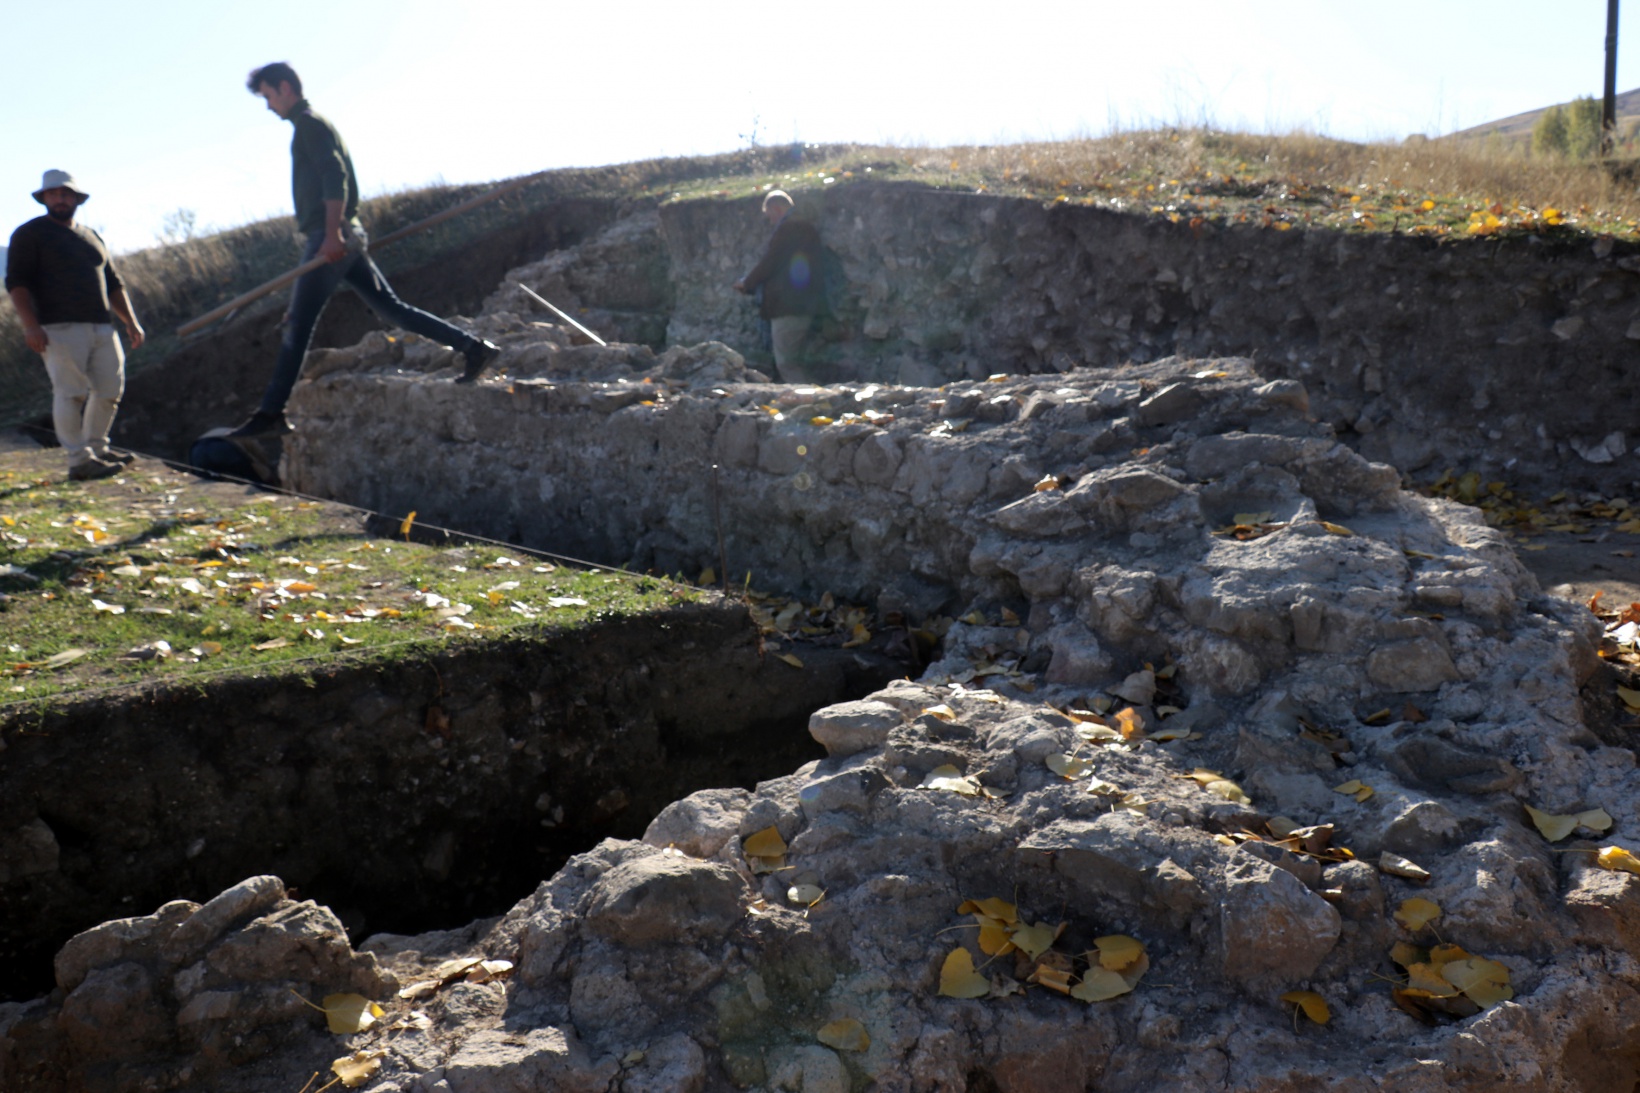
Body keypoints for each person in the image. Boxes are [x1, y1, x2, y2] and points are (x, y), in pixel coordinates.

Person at [232, 62, 500, 437]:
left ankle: (271, 414)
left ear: (285, 88)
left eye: (268, 96)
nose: (268, 106)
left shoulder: (309, 123)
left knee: (297, 324)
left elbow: (334, 176)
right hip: (344, 233)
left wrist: (330, 235)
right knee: (393, 310)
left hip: (334, 234)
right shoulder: (310, 124)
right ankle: (474, 348)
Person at [5, 170, 145, 481]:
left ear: (76, 199)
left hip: (101, 326)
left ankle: (97, 448)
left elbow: (113, 282)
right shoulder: (29, 234)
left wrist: (131, 323)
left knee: (110, 389)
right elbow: (17, 283)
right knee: (71, 393)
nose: (59, 199)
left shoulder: (92, 237)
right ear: (44, 199)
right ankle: (78, 461)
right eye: (53, 194)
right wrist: (31, 326)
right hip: (58, 328)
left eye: (66, 193)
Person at [734, 190, 824, 383]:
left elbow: (770, 262)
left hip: (788, 306)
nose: (770, 221)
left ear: (776, 208)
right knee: (794, 360)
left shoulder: (789, 229)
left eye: (770, 216)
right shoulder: (805, 229)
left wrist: (747, 283)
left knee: (787, 363)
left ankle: (810, 401)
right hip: (805, 303)